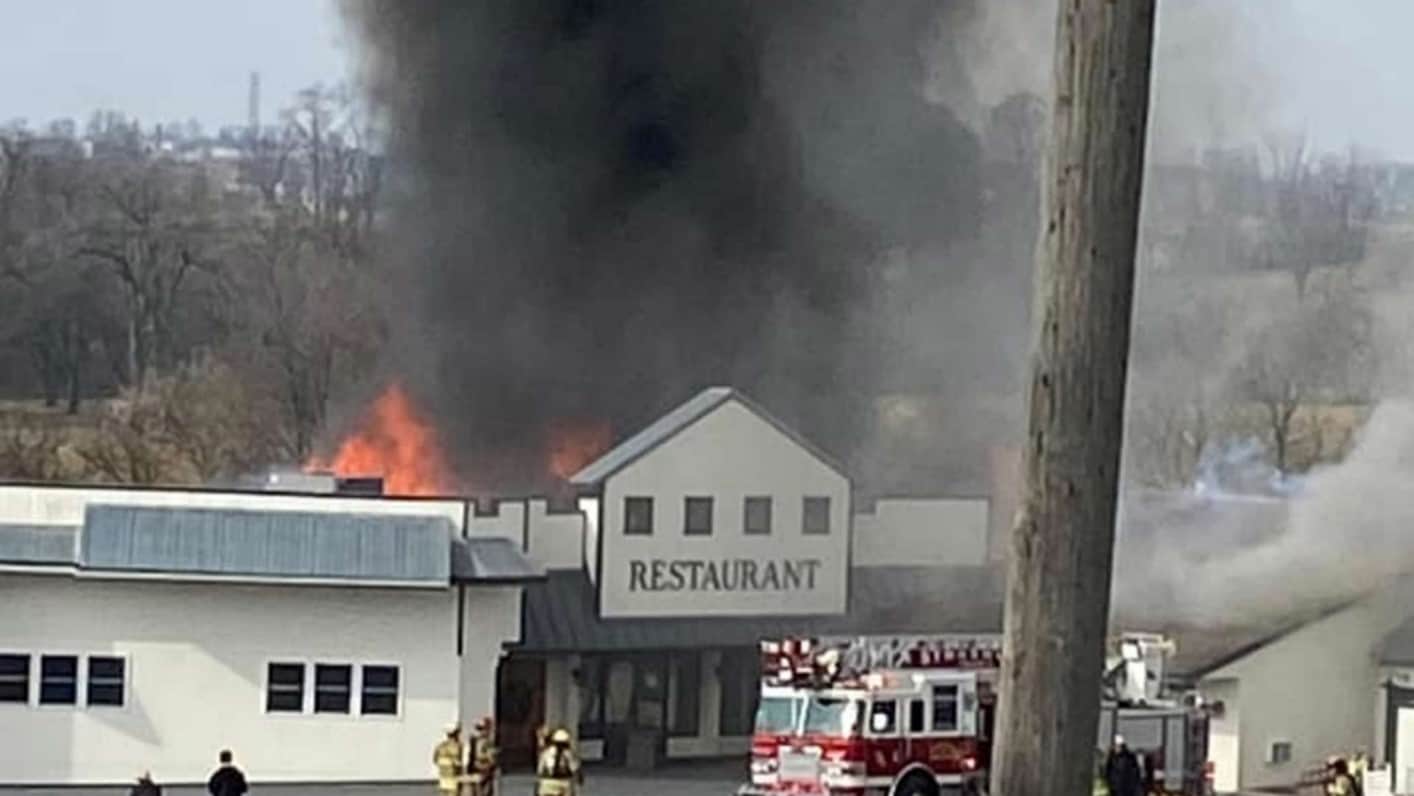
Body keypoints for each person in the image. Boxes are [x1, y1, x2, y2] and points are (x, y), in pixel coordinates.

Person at [535, 727, 582, 796]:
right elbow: (575, 769)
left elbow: (540, 771)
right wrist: (580, 779)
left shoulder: (546, 752)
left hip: (547, 783)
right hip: (563, 783)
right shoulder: (568, 754)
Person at [467, 716, 499, 796]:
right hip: (480, 770)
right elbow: (479, 755)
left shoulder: (484, 741)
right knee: (480, 791)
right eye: (480, 729)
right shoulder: (478, 741)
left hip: (484, 771)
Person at [435, 723, 466, 796]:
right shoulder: (458, 746)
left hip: (443, 779)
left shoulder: (440, 746)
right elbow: (461, 762)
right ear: (456, 734)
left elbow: (435, 760)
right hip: (454, 780)